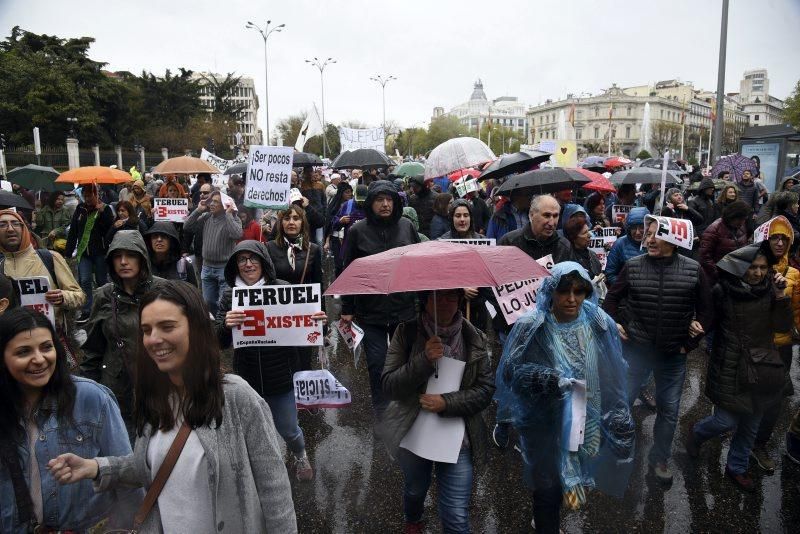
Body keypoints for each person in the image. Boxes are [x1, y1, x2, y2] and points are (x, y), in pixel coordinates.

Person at [49, 282, 298, 533]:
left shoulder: (237, 397)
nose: (154, 339)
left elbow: (275, 491)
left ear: (197, 329)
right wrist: (95, 467)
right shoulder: (153, 398)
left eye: (167, 327)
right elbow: (150, 466)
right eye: (146, 330)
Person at [495, 263, 634, 533]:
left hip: (585, 416)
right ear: (550, 292)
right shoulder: (531, 326)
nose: (572, 299)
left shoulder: (598, 321)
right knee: (546, 486)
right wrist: (548, 380)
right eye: (564, 292)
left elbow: (615, 369)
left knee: (574, 477)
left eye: (579, 291)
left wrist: (619, 410)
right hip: (542, 422)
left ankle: (550, 512)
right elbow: (511, 374)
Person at [1, 307, 139, 533]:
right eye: (23, 352)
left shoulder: (92, 398)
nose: (39, 359)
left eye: (46, 347)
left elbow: (127, 475)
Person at [603, 216, 713, 484]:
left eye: (656, 234)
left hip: (674, 355)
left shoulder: (693, 269)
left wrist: (691, 342)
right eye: (648, 234)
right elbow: (611, 300)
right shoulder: (632, 266)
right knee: (622, 402)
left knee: (669, 409)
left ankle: (660, 458)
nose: (649, 239)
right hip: (636, 353)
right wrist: (615, 324)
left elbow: (709, 310)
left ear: (674, 240)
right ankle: (619, 448)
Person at [381, 289, 495, 533]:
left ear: (460, 300)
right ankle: (413, 518)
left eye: (451, 296)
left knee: (455, 516)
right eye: (437, 296)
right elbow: (389, 386)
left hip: (458, 439)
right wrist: (423, 360)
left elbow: (486, 390)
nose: (444, 302)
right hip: (414, 433)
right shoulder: (407, 332)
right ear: (425, 299)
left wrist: (447, 402)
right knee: (415, 490)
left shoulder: (474, 337)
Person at [685, 245, 790, 492]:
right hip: (730, 363)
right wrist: (693, 332)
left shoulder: (772, 290)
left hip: (762, 365)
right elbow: (708, 320)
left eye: (763, 268)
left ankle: (737, 467)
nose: (758, 273)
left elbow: (782, 325)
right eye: (752, 267)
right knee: (725, 420)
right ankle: (697, 433)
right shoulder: (722, 291)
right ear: (740, 267)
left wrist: (782, 296)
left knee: (752, 422)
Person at [216, 241, 321, 481]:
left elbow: (303, 329)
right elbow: (218, 340)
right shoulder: (229, 295)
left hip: (280, 375)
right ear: (235, 265)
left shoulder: (283, 288)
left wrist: (315, 320)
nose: (248, 264)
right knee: (250, 431)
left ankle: (300, 454)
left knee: (289, 430)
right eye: (242, 259)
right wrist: (225, 325)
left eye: (253, 258)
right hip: (247, 376)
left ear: (264, 262)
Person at [341, 180, 421, 420]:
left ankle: (406, 409)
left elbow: (418, 265)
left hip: (404, 309)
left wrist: (424, 303)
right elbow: (348, 271)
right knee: (377, 366)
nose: (385, 204)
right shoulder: (357, 231)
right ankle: (382, 412)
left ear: (396, 202)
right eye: (379, 200)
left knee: (405, 363)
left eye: (389, 200)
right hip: (371, 312)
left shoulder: (407, 227)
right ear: (371, 203)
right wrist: (347, 307)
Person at [80, 231, 167, 431]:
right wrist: (87, 389)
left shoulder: (164, 290)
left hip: (159, 384)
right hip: (116, 389)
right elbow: (93, 349)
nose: (124, 262)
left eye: (131, 255)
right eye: (117, 256)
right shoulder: (103, 295)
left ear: (143, 258)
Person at [750, 217, 800, 471]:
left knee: (774, 400)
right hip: (754, 344)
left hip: (781, 347)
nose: (779, 243)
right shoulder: (754, 268)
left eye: (784, 239)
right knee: (748, 393)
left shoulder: (794, 275)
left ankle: (759, 444)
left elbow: (798, 312)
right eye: (774, 238)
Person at [266, 205, 323, 372]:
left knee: (303, 364)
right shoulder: (269, 248)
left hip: (303, 318)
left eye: (296, 218)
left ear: (302, 223)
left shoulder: (313, 249)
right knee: (279, 364)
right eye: (287, 218)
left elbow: (318, 285)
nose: (291, 222)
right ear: (280, 222)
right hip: (277, 317)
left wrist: (322, 321)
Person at [183, 190, 243, 316]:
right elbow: (187, 226)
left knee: (223, 304)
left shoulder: (233, 219)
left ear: (225, 204)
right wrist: (199, 210)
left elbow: (237, 234)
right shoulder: (206, 217)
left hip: (225, 269)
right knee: (208, 303)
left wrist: (229, 214)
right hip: (207, 268)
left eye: (216, 201)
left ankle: (222, 331)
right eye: (211, 201)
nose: (212, 204)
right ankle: (213, 330)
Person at [65, 184, 114, 322]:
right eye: (85, 195)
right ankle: (87, 310)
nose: (87, 198)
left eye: (89, 195)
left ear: (96, 194)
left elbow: (110, 230)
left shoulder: (106, 208)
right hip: (84, 253)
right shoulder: (80, 209)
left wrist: (103, 213)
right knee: (85, 280)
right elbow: (74, 231)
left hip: (100, 252)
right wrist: (68, 252)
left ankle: (105, 307)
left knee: (101, 281)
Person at [498, 194, 571, 264]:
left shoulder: (564, 247)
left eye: (555, 216)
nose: (551, 223)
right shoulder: (509, 242)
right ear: (531, 215)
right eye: (546, 215)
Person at [699, 201, 751, 285]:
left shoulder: (741, 226)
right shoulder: (714, 230)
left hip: (737, 274)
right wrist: (717, 274)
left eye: (744, 219)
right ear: (732, 216)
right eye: (740, 219)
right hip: (719, 278)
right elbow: (705, 257)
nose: (742, 222)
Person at [604, 207, 649, 286]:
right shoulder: (619, 244)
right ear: (629, 228)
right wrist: (626, 288)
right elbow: (610, 274)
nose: (638, 232)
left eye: (642, 227)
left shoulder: (655, 243)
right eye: (634, 228)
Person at [143, 222, 198, 286]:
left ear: (172, 241)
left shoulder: (183, 266)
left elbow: (192, 293)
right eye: (155, 236)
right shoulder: (143, 265)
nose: (159, 239)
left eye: (164, 236)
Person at [331, 184, 368, 276]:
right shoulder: (348, 205)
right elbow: (334, 225)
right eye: (359, 201)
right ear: (354, 196)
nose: (361, 203)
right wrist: (340, 221)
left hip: (367, 248)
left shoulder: (371, 206)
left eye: (363, 201)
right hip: (349, 248)